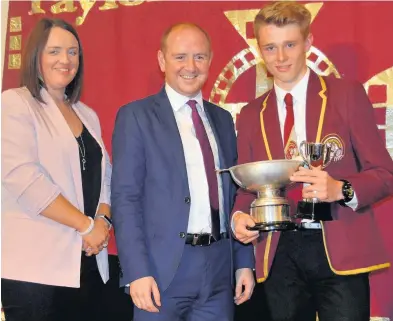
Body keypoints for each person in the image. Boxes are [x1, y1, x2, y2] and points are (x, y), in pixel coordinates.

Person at [231, 2, 393, 321]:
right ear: (260, 49)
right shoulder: (251, 114)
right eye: (270, 47)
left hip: (339, 244)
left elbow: (384, 174)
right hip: (278, 251)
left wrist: (341, 189)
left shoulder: (346, 95)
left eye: (290, 45)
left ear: (308, 42)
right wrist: (238, 216)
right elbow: (246, 188)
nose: (280, 57)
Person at [111, 23, 255, 321]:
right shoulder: (136, 116)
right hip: (161, 273)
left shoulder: (223, 120)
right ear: (162, 61)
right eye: (180, 57)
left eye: (200, 57)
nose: (190, 66)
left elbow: (235, 195)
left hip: (218, 269)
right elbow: (125, 199)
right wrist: (137, 272)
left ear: (211, 60)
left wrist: (243, 261)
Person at [1, 18, 132, 321]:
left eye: (73, 52)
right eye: (55, 51)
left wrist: (102, 221)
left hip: (86, 264)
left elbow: (106, 178)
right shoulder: (14, 103)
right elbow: (25, 180)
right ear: (36, 56)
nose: (66, 60)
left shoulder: (86, 114)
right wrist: (86, 226)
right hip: (35, 270)